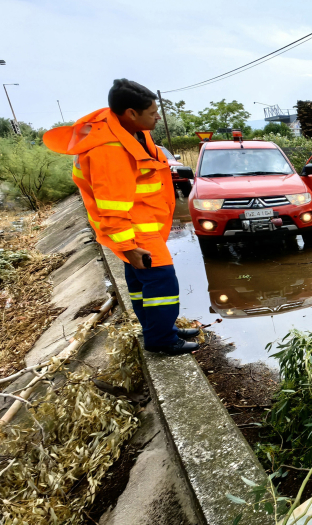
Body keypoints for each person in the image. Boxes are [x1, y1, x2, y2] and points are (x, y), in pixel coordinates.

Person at [44, 79, 199, 355]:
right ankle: (161, 340)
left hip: (143, 223)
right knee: (163, 281)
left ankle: (159, 329)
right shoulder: (109, 150)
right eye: (152, 113)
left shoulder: (129, 130)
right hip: (134, 228)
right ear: (131, 113)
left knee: (141, 284)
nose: (157, 117)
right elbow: (111, 205)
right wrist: (128, 245)